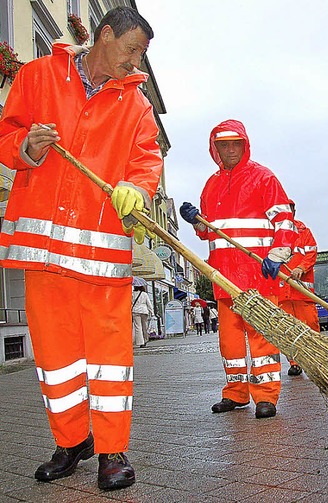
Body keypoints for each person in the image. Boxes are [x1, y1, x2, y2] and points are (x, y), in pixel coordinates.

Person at [0, 7, 162, 491]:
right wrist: (28, 145)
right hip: (43, 251)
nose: (136, 64)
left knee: (109, 357)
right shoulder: (37, 76)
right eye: (132, 50)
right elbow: (6, 135)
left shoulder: (136, 107)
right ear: (104, 35)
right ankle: (72, 442)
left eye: (142, 56)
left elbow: (146, 159)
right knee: (55, 357)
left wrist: (138, 187)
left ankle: (112, 450)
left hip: (100, 255)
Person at [180, 119, 296, 419]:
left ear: (244, 145)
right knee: (230, 342)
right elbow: (208, 233)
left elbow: (284, 221)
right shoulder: (212, 184)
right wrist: (195, 219)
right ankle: (236, 392)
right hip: (224, 278)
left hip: (258, 275)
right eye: (223, 145)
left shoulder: (263, 178)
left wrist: (278, 254)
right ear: (214, 148)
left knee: (262, 337)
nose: (230, 150)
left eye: (235, 144)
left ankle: (266, 396)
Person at [277, 200, 320, 376]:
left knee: (310, 325)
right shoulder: (274, 233)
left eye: (291, 209)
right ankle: (295, 363)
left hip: (301, 291)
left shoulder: (304, 231)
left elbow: (311, 253)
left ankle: (317, 358)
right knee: (288, 330)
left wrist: (301, 268)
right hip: (282, 293)